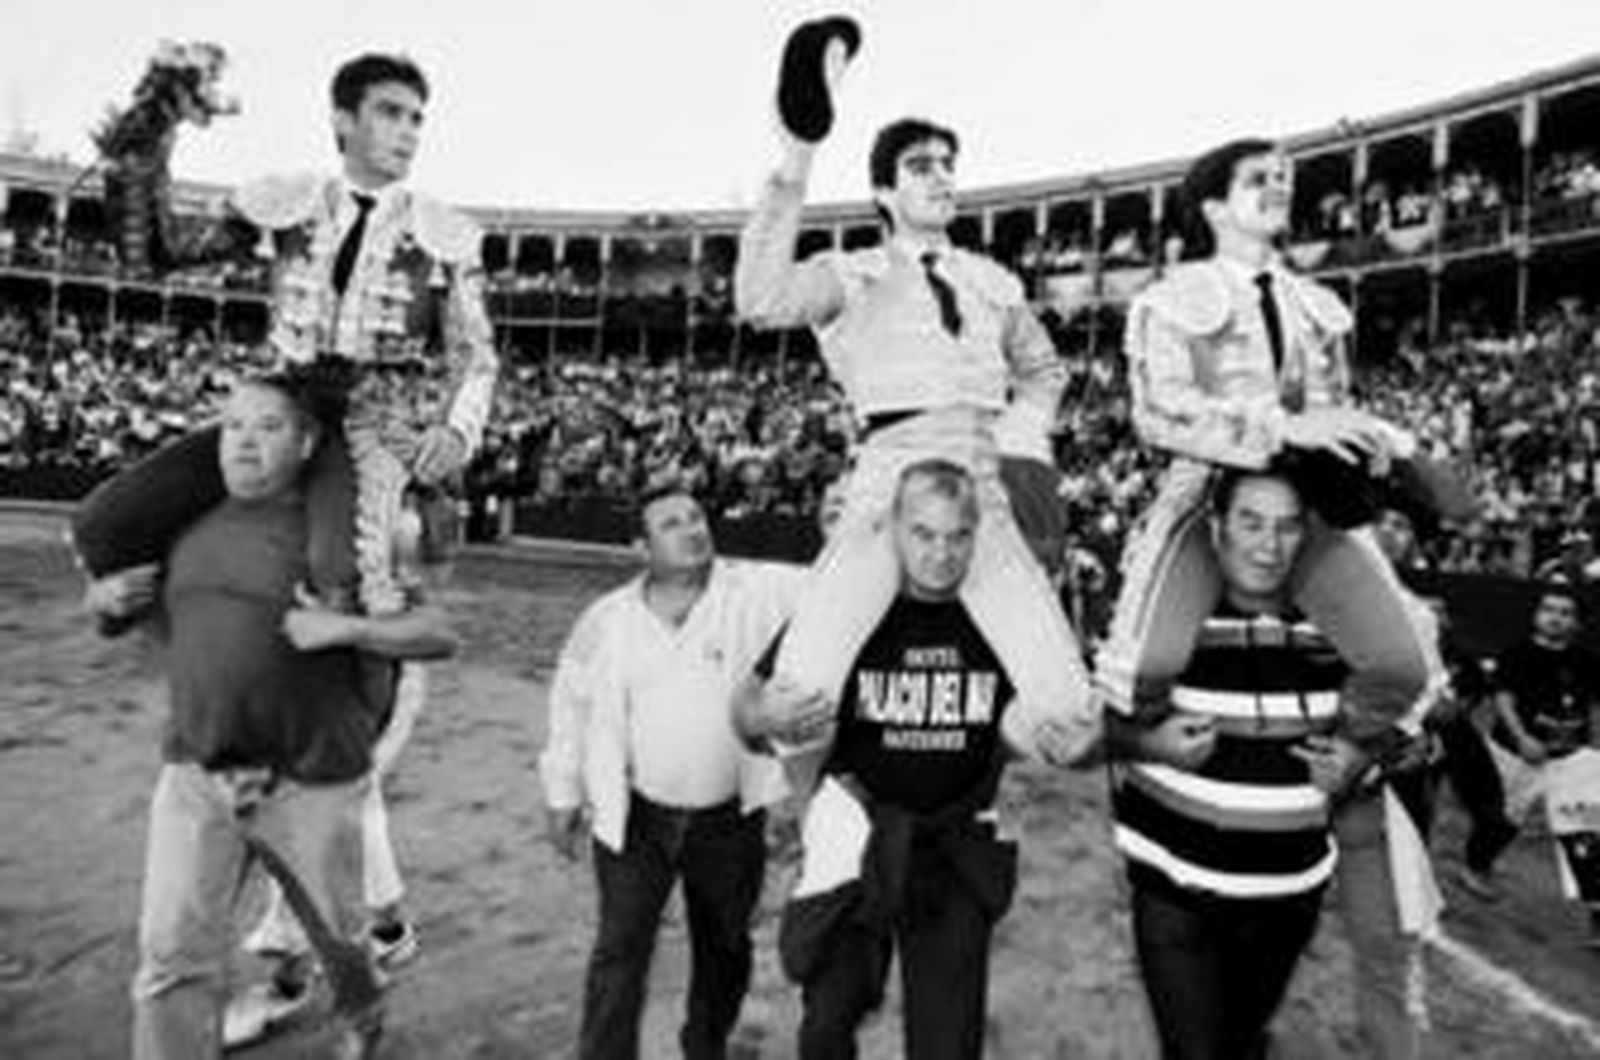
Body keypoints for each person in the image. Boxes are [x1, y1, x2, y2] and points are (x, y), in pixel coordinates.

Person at [735, 21, 1097, 769]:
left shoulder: (992, 281)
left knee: (1067, 715)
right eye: (920, 165)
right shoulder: (853, 271)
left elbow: (1043, 373)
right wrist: (797, 156)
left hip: (981, 485)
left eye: (947, 165)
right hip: (886, 486)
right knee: (797, 704)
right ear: (883, 192)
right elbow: (761, 300)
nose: (941, 177)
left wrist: (1016, 446)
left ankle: (965, 764)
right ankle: (843, 793)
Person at [81, 375, 456, 1060]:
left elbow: (437, 633)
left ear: (308, 443)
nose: (244, 443)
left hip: (311, 781)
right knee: (169, 955)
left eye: (267, 427)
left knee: (340, 938)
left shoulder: (348, 540)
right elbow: (139, 618)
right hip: (198, 773)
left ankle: (363, 1008)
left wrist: (344, 627)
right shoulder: (184, 527)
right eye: (232, 426)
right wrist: (102, 605)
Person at [74, 51, 497, 624]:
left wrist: (455, 430)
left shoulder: (443, 232)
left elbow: (474, 355)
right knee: (104, 525)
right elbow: (157, 251)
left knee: (341, 572)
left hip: (371, 420)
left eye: (416, 119)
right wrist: (150, 135)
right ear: (343, 120)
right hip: (281, 405)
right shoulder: (288, 201)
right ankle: (170, 624)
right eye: (390, 113)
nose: (408, 131)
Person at [1100, 137, 1449, 748]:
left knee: (1407, 667)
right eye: (1258, 178)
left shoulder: (1318, 305)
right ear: (1213, 208)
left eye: (1284, 176)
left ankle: (1337, 757)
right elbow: (1157, 413)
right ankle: (1146, 755)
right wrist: (1280, 428)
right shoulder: (1170, 299)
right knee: (1144, 667)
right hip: (1207, 493)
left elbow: (1333, 406)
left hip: (1312, 498)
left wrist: (1365, 440)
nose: (1280, 186)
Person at [743, 459, 1037, 1060]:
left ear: (976, 537)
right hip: (856, 837)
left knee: (948, 1043)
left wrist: (1036, 742)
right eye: (924, 534)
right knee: (825, 1029)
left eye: (957, 536)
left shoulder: (1003, 620)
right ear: (895, 529)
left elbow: (1056, 729)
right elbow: (744, 710)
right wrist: (764, 717)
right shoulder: (842, 610)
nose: (940, 554)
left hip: (956, 846)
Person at [1105, 469, 1364, 1060]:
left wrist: (1359, 760)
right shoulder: (1164, 615)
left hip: (1290, 895)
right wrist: (1149, 745)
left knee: (1242, 1045)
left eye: (1286, 526)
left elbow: (1395, 734)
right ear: (1217, 527)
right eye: (1251, 522)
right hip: (1176, 892)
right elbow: (1083, 729)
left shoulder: (1342, 622)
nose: (1268, 545)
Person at [537, 483, 798, 1060]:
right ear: (642, 547)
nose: (692, 530)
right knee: (619, 950)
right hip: (637, 817)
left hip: (729, 817)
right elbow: (570, 704)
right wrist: (562, 794)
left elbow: (833, 587)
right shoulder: (605, 618)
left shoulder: (759, 591)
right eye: (671, 524)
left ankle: (704, 1048)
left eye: (696, 516)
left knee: (725, 948)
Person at [223, 493, 449, 1048]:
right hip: (315, 716)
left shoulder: (399, 531)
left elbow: (412, 673)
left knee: (317, 846)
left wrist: (372, 761)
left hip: (357, 723)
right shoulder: (322, 519)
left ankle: (294, 979)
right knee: (342, 839)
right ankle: (386, 933)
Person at [1461, 587, 1600, 927]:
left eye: (1565, 613)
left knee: (1584, 828)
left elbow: (1595, 704)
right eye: (1549, 610)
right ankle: (1477, 865)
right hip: (1517, 753)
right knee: (1504, 820)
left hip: (1571, 757)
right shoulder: (1517, 654)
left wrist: (1595, 746)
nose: (1555, 618)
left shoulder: (1587, 659)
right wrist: (1522, 738)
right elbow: (1503, 700)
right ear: (1537, 616)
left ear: (1577, 623)